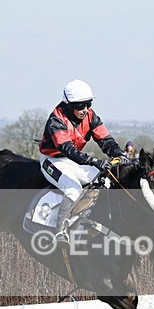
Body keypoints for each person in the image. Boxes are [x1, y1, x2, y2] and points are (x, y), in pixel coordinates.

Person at [38, 79, 127, 240]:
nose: (85, 110)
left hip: (73, 161)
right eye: (80, 106)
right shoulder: (56, 120)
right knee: (73, 189)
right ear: (68, 104)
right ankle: (61, 230)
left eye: (88, 104)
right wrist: (94, 161)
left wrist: (119, 154)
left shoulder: (91, 116)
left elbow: (106, 141)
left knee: (106, 180)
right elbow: (68, 150)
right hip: (53, 160)